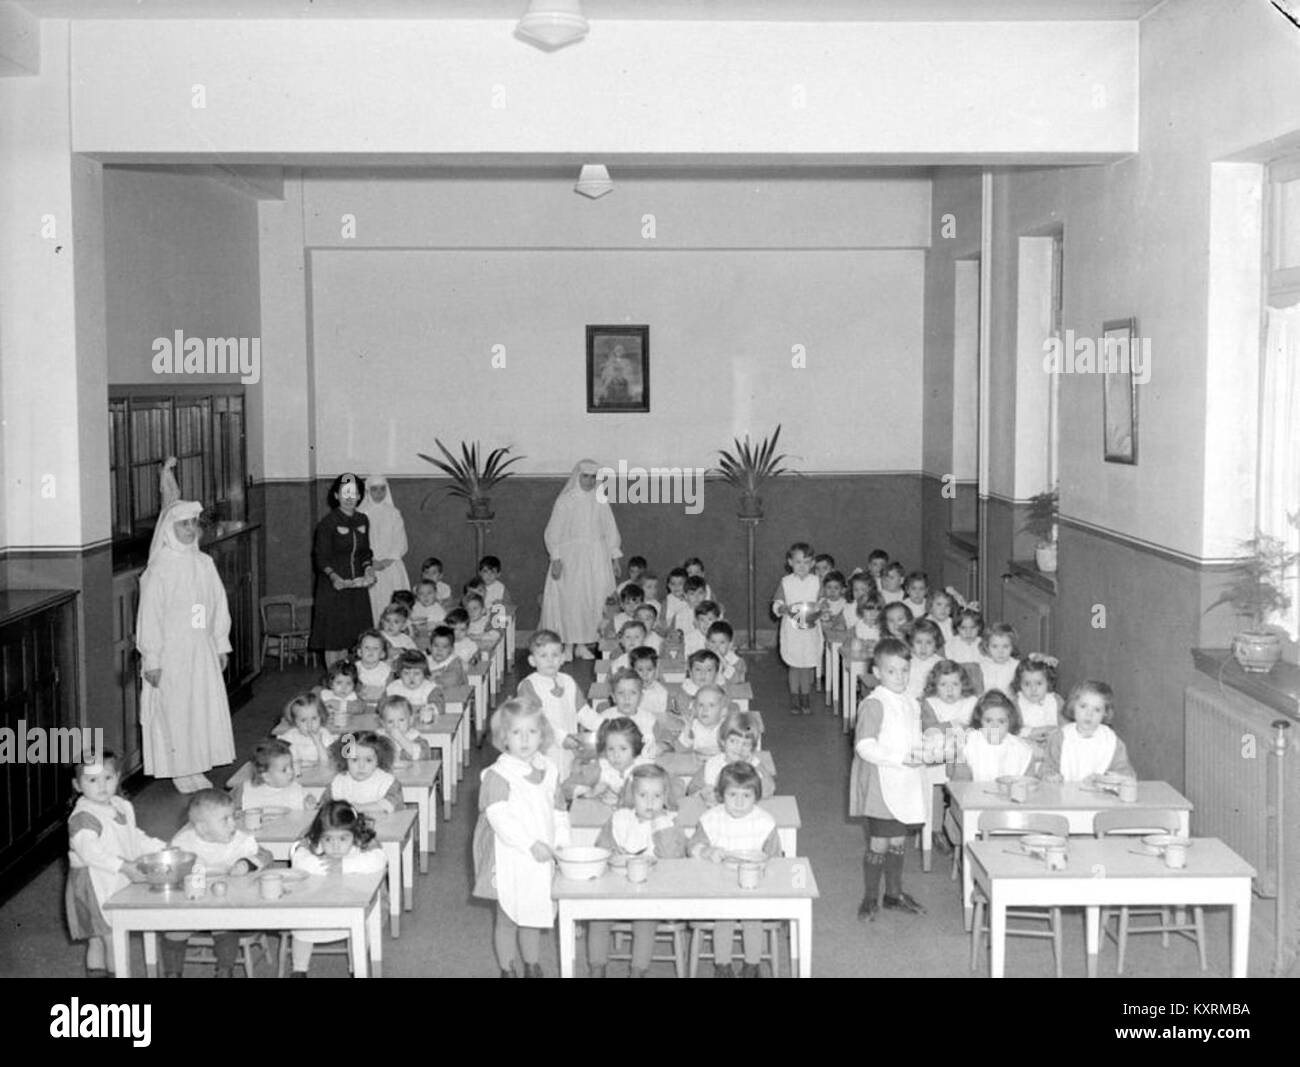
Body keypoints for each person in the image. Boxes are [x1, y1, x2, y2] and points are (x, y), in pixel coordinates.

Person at [136, 499, 235, 793]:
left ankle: (195, 765)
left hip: (198, 648)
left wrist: (218, 642)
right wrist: (152, 658)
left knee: (199, 706)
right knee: (176, 709)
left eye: (194, 523)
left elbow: (214, 605)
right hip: (171, 651)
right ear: (170, 528)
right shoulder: (159, 569)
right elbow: (150, 616)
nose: (191, 529)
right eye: (184, 524)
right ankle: (179, 769)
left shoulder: (203, 563)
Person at [472, 700, 571, 978]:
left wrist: (562, 843)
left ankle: (532, 963)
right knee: (509, 914)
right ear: (504, 738)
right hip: (511, 854)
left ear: (543, 734)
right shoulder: (499, 774)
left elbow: (558, 809)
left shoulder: (549, 768)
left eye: (532, 732)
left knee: (534, 909)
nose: (525, 739)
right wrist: (529, 844)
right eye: (516, 733)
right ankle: (507, 968)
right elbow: (500, 817)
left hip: (543, 855)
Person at [66, 751, 167, 977]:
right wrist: (125, 867)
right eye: (92, 780)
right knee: (109, 938)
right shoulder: (83, 817)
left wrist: (161, 847)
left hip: (114, 878)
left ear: (118, 777)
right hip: (92, 884)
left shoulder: (120, 806)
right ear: (78, 784)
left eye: (108, 778)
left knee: (103, 938)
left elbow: (134, 837)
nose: (101, 786)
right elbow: (92, 853)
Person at [850, 638, 927, 922]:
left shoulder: (910, 702)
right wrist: (899, 758)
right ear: (877, 671)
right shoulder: (874, 703)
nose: (900, 677)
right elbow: (864, 746)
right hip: (882, 782)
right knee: (879, 842)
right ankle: (870, 898)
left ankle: (893, 894)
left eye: (905, 670)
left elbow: (915, 736)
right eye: (892, 671)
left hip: (905, 781)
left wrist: (926, 751)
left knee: (897, 839)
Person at [589, 764, 688, 978]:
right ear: (632, 795)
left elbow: (672, 857)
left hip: (653, 894)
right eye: (643, 795)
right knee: (597, 918)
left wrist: (660, 823)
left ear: (665, 796)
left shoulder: (669, 823)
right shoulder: (619, 819)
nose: (650, 802)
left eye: (657, 795)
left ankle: (638, 971)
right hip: (616, 891)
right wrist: (612, 853)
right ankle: (597, 968)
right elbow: (602, 849)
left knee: (645, 922)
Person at [163, 790, 272, 978]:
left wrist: (247, 864)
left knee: (225, 926)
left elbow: (266, 856)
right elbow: (169, 867)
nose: (233, 824)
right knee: (173, 929)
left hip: (229, 906)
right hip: (192, 906)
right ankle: (173, 972)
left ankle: (225, 969)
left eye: (233, 817)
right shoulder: (184, 842)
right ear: (203, 828)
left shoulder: (241, 841)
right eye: (225, 819)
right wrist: (178, 873)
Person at [688, 763, 781, 978]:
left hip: (754, 887)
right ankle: (722, 965)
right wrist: (706, 851)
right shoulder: (712, 819)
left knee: (753, 918)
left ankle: (752, 965)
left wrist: (767, 865)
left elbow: (776, 858)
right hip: (718, 887)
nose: (739, 802)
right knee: (724, 917)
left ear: (756, 797)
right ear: (721, 795)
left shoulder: (764, 822)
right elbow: (692, 846)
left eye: (746, 796)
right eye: (732, 795)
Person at [289, 801, 387, 977]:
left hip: (352, 906)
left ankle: (355, 968)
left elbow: (380, 858)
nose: (335, 846)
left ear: (354, 835)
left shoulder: (359, 848)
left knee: (361, 929)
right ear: (320, 837)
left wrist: (344, 865)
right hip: (318, 906)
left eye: (342, 839)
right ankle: (299, 969)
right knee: (302, 927)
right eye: (328, 839)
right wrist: (323, 866)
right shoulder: (315, 847)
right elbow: (298, 856)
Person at [541, 459, 622, 659]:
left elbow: (610, 528)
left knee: (593, 600)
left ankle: (584, 644)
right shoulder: (566, 501)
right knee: (571, 601)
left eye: (593, 477)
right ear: (578, 477)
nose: (589, 480)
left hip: (596, 557)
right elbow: (553, 532)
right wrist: (557, 558)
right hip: (571, 558)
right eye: (585, 476)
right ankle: (567, 644)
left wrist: (615, 556)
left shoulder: (600, 499)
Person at [310, 473, 377, 665]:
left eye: (354, 493)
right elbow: (320, 558)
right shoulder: (327, 523)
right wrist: (334, 578)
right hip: (333, 587)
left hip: (357, 587)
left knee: (358, 637)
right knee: (335, 638)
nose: (349, 498)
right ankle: (334, 682)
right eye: (345, 493)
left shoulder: (363, 519)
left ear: (359, 496)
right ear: (336, 496)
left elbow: (365, 552)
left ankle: (354, 681)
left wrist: (368, 570)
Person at [1041, 681, 1136, 782]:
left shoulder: (1111, 741)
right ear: (1073, 706)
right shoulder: (1060, 737)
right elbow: (1047, 768)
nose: (1089, 714)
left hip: (1100, 796)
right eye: (1083, 706)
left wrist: (1103, 779)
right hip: (1065, 795)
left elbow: (1125, 774)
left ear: (1105, 713)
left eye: (1097, 710)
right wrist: (1051, 777)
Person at [771, 542, 822, 716]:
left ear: (813, 563)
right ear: (790, 562)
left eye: (806, 562)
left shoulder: (816, 581)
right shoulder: (786, 582)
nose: (802, 566)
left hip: (810, 629)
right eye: (798, 562)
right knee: (794, 664)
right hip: (792, 629)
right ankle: (794, 698)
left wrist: (822, 607)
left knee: (807, 665)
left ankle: (805, 698)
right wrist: (781, 608)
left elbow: (822, 602)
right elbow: (777, 602)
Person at [358, 474, 410, 625]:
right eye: (374, 489)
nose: (379, 493)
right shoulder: (361, 514)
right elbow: (360, 542)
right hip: (369, 567)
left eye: (382, 489)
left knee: (392, 604)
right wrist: (371, 561)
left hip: (391, 566)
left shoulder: (394, 513)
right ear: (368, 491)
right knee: (373, 604)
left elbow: (400, 541)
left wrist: (387, 561)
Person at [230, 739, 311, 812]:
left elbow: (306, 816)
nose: (291, 772)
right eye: (284, 770)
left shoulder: (296, 790)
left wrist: (308, 806)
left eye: (291, 766)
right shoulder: (246, 791)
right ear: (266, 777)